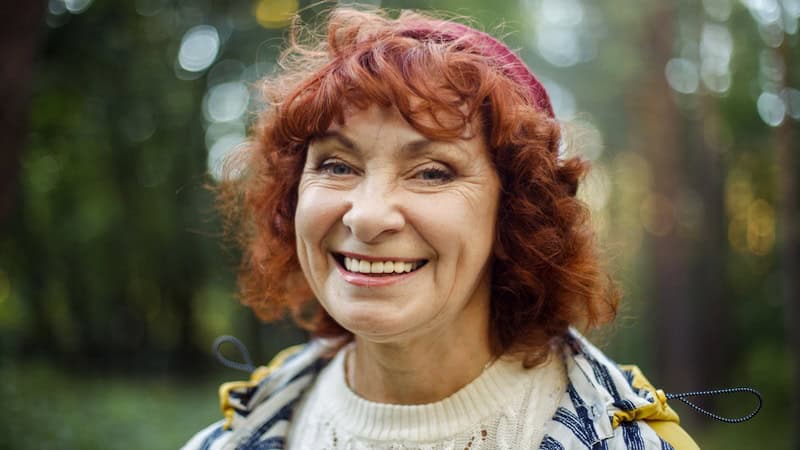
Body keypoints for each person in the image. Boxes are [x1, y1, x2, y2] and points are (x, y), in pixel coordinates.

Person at [184, 7, 699, 450]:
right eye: (337, 165)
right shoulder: (232, 438)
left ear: (513, 216)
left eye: (432, 172)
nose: (366, 215)